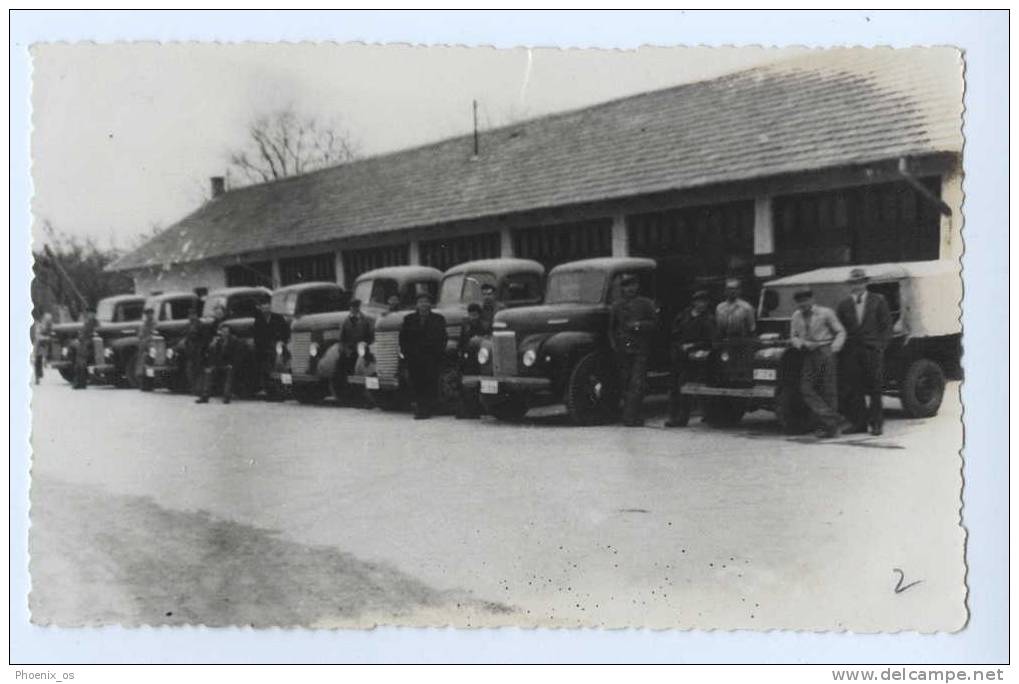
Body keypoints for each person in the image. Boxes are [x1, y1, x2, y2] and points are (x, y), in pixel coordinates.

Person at [836, 268, 893, 436]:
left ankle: (877, 424)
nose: (857, 285)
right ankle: (858, 423)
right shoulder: (844, 304)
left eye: (860, 282)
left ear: (866, 283)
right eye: (854, 283)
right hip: (852, 353)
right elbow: (840, 329)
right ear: (850, 285)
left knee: (875, 388)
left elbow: (887, 326)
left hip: (872, 351)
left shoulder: (878, 300)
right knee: (855, 389)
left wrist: (880, 346)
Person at [790, 289, 847, 438]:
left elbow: (840, 332)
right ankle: (836, 419)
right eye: (800, 301)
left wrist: (834, 347)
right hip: (808, 353)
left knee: (828, 390)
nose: (803, 304)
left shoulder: (825, 313)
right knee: (806, 389)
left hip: (825, 350)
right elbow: (793, 336)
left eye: (806, 300)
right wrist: (802, 344)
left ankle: (831, 429)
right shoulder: (796, 316)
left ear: (812, 299)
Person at [608, 273, 658, 427]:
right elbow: (611, 329)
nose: (630, 289)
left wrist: (638, 325)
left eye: (632, 285)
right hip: (623, 350)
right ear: (622, 289)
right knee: (626, 383)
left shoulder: (646, 304)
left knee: (637, 383)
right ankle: (634, 416)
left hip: (640, 349)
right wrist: (614, 345)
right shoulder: (616, 306)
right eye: (626, 286)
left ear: (637, 286)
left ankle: (630, 417)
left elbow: (654, 324)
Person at [665, 290, 716, 427]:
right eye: (698, 301)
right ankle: (672, 416)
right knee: (674, 388)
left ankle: (683, 418)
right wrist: (678, 346)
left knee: (686, 387)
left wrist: (694, 345)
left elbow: (710, 340)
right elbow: (675, 333)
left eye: (704, 302)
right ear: (694, 302)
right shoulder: (683, 315)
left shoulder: (709, 319)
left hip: (696, 358)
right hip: (679, 355)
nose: (701, 304)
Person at [398, 292, 447, 419]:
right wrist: (407, 354)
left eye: (426, 302)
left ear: (430, 304)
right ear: (417, 305)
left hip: (431, 357)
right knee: (416, 383)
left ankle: (428, 408)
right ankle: (420, 408)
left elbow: (443, 338)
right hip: (414, 358)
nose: (423, 304)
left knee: (431, 382)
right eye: (421, 302)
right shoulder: (409, 319)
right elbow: (403, 338)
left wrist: (437, 354)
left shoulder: (438, 319)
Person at [335, 298, 375, 393]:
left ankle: (364, 390)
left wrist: (365, 346)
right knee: (341, 365)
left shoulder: (366, 320)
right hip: (349, 349)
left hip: (362, 349)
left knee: (366, 365)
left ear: (358, 308)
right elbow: (341, 339)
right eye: (352, 307)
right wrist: (344, 350)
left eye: (356, 307)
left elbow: (370, 336)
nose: (354, 309)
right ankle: (345, 390)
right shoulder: (345, 321)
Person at [195, 323, 241, 404]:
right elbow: (213, 355)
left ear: (229, 332)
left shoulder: (234, 340)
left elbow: (237, 355)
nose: (224, 333)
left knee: (229, 374)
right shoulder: (218, 341)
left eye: (226, 331)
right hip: (219, 364)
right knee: (209, 372)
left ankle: (226, 396)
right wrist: (212, 346)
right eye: (223, 331)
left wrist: (231, 365)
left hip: (230, 364)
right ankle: (205, 396)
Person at [252, 300, 288, 400]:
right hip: (264, 350)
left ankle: (285, 391)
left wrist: (282, 341)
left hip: (278, 347)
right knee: (266, 372)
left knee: (282, 369)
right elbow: (256, 336)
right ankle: (270, 393)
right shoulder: (258, 320)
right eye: (263, 308)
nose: (265, 309)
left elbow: (286, 332)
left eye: (267, 307)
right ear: (261, 308)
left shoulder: (278, 318)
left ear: (270, 307)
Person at [455, 303, 486, 419]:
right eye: (471, 314)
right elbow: (461, 340)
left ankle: (474, 410)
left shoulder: (482, 326)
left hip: (476, 357)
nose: (473, 316)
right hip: (466, 357)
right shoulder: (465, 325)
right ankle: (464, 410)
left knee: (474, 385)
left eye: (475, 314)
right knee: (464, 385)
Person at [72, 308, 98, 390]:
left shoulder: (92, 322)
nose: (90, 315)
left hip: (86, 344)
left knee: (81, 364)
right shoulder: (90, 322)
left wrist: (82, 338)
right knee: (79, 365)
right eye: (90, 313)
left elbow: (87, 333)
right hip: (84, 343)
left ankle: (80, 383)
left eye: (91, 313)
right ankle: (80, 383)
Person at [180, 307, 205, 393]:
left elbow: (203, 338)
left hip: (198, 350)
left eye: (193, 315)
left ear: (196, 315)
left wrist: (201, 349)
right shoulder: (188, 325)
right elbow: (185, 335)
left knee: (198, 370)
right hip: (190, 351)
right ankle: (193, 388)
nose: (191, 317)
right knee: (190, 371)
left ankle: (198, 389)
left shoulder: (200, 325)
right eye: (190, 315)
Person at [136, 306, 157, 391]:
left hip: (153, 348)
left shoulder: (155, 324)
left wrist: (148, 338)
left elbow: (155, 334)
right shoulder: (143, 325)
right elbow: (140, 335)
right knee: (142, 367)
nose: (149, 315)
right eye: (147, 314)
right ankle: (143, 385)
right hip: (144, 348)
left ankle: (150, 384)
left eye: (150, 313)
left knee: (150, 367)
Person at [31, 312, 53, 384]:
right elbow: (38, 336)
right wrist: (46, 338)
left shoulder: (48, 326)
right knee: (37, 361)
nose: (49, 321)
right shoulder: (40, 326)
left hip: (43, 347)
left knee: (39, 361)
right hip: (38, 346)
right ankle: (37, 377)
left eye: (50, 320)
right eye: (48, 320)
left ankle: (39, 375)